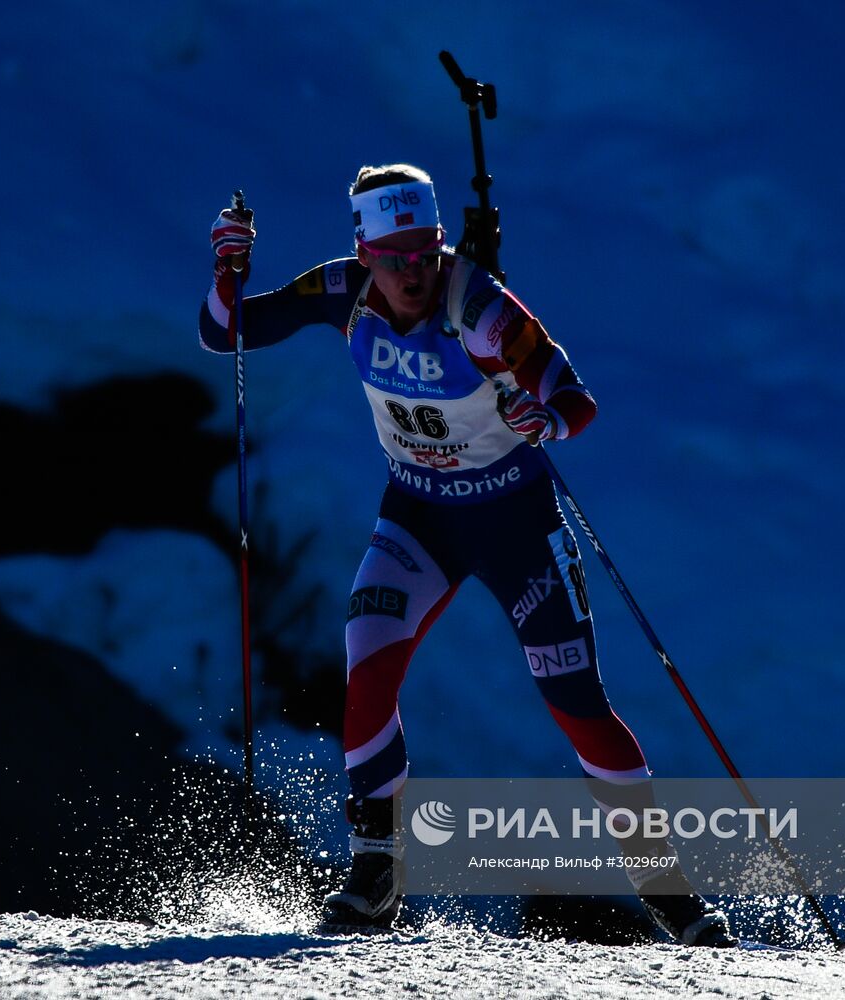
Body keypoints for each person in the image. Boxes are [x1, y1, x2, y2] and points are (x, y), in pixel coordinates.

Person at [199, 164, 735, 947]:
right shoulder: (341, 290)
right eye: (393, 259)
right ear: (364, 251)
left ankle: (666, 889)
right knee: (368, 660)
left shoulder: (479, 307)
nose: (411, 274)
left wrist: (541, 420)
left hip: (515, 522)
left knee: (577, 704)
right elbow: (225, 332)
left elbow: (576, 399)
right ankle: (375, 873)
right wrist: (227, 270)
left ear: (440, 243)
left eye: (424, 254)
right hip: (419, 516)